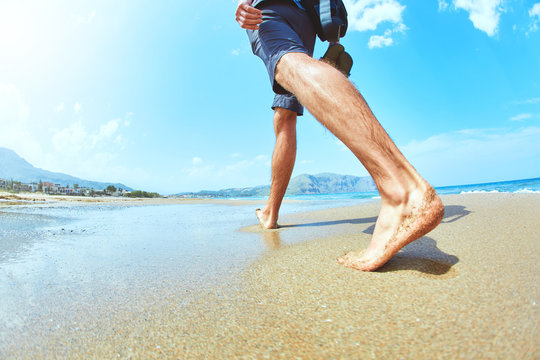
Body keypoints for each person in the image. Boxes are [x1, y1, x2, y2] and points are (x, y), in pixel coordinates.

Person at [235, 0, 444, 271]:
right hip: (308, 20)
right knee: (285, 108)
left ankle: (404, 193)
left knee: (288, 64)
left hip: (270, 7)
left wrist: (242, 2)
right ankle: (270, 213)